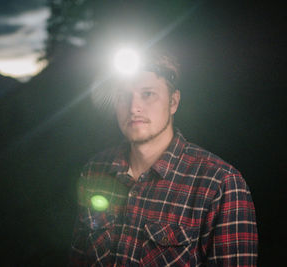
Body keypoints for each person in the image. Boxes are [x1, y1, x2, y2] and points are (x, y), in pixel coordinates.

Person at [69, 52, 258, 266]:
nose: (133, 107)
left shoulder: (220, 184)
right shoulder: (95, 170)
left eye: (148, 94)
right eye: (123, 96)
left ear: (173, 101)